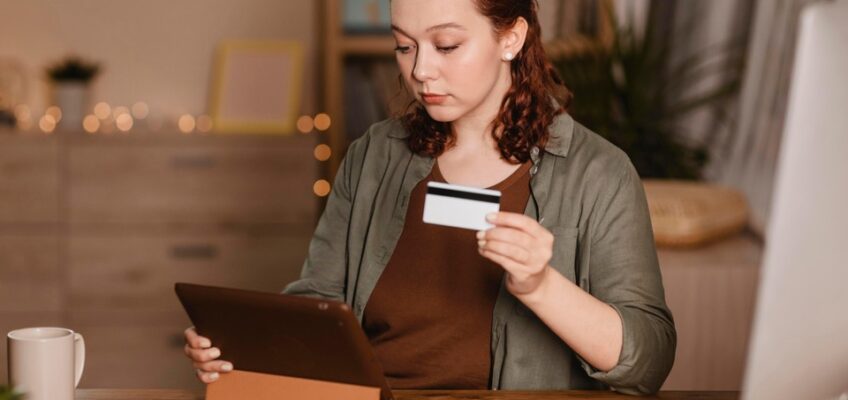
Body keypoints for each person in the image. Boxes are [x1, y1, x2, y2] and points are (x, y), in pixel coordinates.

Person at [184, 0, 676, 394]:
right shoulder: (373, 155)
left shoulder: (599, 173)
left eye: (446, 45)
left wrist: (541, 287)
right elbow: (318, 302)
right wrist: (248, 348)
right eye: (404, 46)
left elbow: (647, 362)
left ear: (511, 37)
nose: (420, 70)